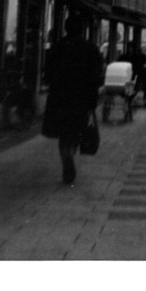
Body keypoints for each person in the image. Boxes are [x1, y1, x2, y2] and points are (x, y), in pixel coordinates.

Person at [41, 13, 103, 185]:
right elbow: (96, 76)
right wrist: (92, 100)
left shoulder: (57, 47)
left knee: (63, 133)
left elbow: (48, 74)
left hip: (60, 98)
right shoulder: (90, 48)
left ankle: (66, 159)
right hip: (81, 98)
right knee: (75, 131)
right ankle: (70, 155)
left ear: (65, 28)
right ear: (81, 29)